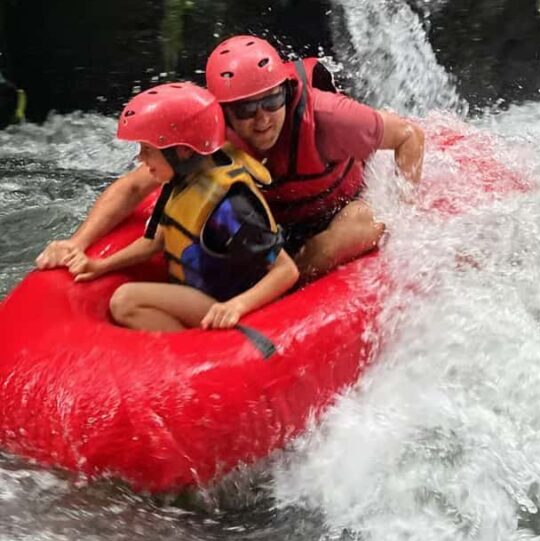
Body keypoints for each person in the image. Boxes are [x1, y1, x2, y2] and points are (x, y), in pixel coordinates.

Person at [37, 37, 424, 280]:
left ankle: (287, 298)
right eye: (245, 108)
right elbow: (137, 184)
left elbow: (409, 136)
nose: (261, 118)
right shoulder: (209, 127)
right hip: (265, 220)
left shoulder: (331, 117)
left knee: (339, 239)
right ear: (224, 111)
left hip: (343, 207)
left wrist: (406, 215)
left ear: (286, 91)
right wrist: (77, 243)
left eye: (272, 101)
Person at [63, 82, 299, 331]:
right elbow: (156, 241)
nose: (140, 159)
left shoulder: (232, 208)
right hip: (202, 296)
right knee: (127, 300)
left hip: (229, 307)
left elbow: (286, 271)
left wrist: (237, 306)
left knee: (126, 301)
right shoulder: (180, 181)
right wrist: (102, 265)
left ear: (183, 152)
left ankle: (195, 354)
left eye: (147, 150)